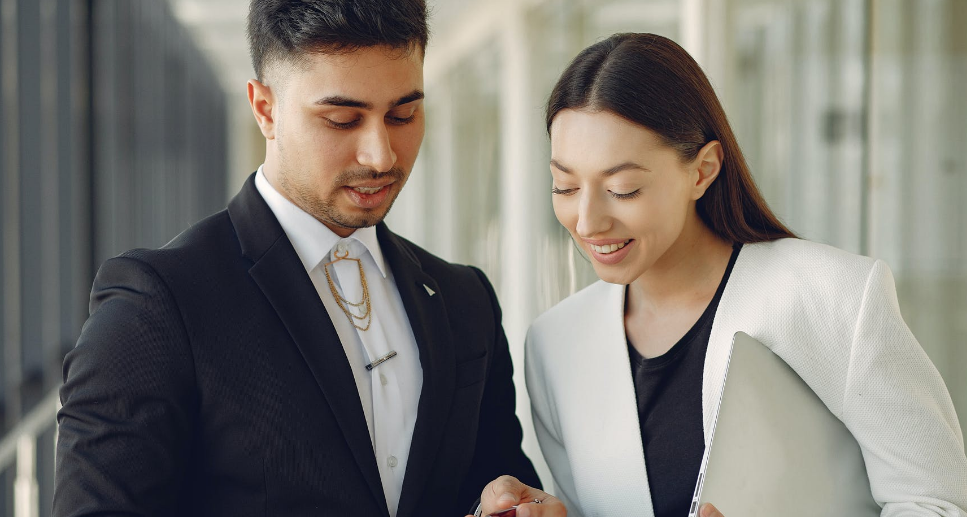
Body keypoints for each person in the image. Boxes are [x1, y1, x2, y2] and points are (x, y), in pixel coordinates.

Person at [52, 1, 552, 516]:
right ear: (265, 109)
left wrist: (512, 503)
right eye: (342, 120)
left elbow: (494, 478)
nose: (381, 155)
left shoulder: (464, 301)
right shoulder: (156, 305)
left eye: (403, 114)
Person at [516, 32, 967, 517]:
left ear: (703, 170)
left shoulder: (833, 297)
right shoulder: (555, 345)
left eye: (623, 189)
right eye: (564, 186)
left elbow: (935, 501)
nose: (587, 222)